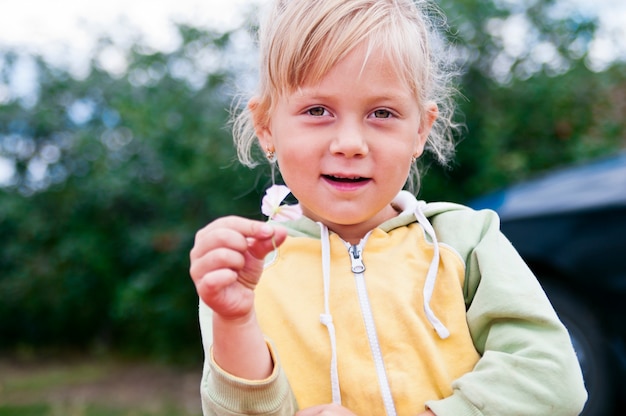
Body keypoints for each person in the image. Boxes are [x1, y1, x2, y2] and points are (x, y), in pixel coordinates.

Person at [189, 0, 588, 414]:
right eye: (317, 110)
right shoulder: (247, 272)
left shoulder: (465, 240)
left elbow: (552, 379)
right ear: (266, 127)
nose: (350, 144)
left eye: (382, 113)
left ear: (420, 130)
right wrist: (234, 321)